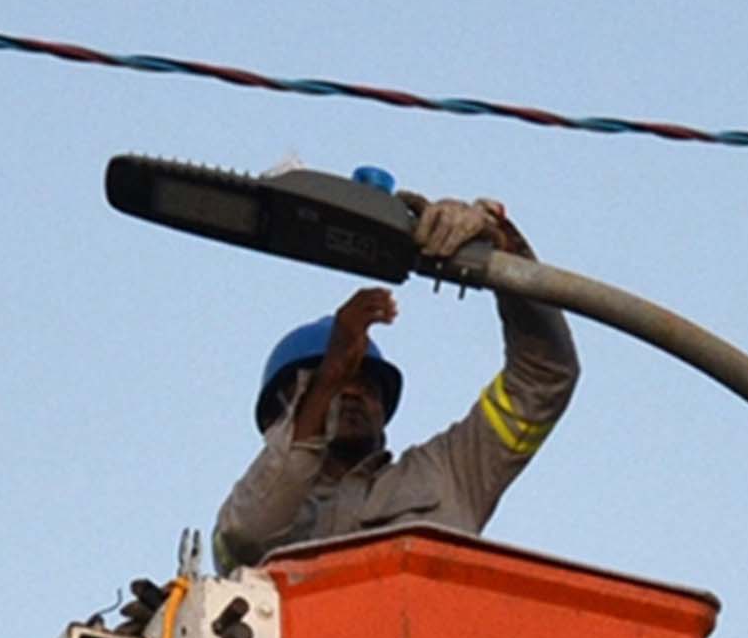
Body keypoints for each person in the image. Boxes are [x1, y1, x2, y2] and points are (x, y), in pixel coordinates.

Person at [214, 196, 579, 572]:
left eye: (367, 383)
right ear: (280, 413)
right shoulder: (250, 511)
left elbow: (546, 375)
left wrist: (503, 249)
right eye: (338, 379)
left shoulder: (450, 472)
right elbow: (246, 539)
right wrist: (327, 380)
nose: (352, 389)